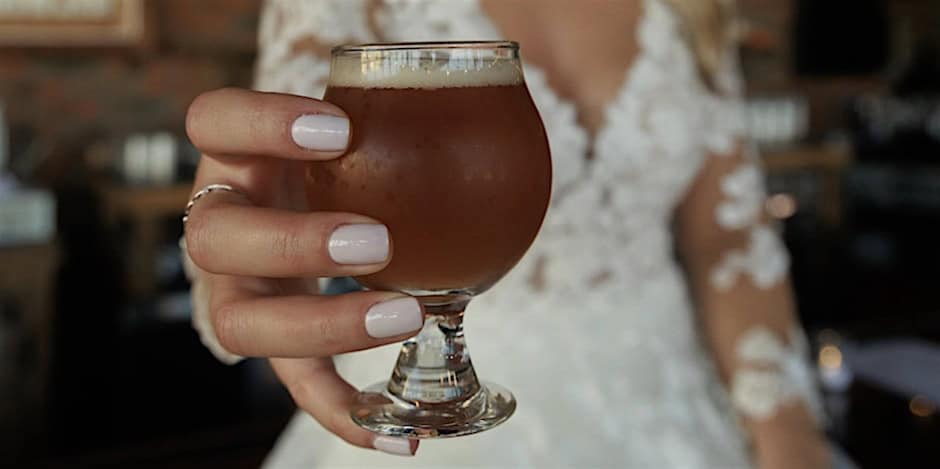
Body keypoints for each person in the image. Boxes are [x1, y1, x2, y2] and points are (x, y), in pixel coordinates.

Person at [181, 0, 832, 467]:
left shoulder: (693, 9)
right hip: (423, 427)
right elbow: (268, 181)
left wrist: (790, 434)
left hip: (673, 403)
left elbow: (731, 250)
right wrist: (239, 255)